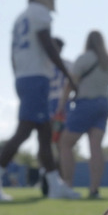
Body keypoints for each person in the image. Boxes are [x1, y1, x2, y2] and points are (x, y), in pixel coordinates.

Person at [0, 0, 81, 201]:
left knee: (44, 134)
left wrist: (19, 76)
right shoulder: (39, 13)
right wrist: (67, 74)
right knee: (24, 131)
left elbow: (12, 54)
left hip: (25, 77)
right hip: (36, 78)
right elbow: (47, 44)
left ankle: (55, 185)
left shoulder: (20, 18)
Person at [58, 30, 108, 199]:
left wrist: (62, 105)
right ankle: (94, 189)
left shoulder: (83, 59)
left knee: (66, 144)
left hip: (85, 104)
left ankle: (68, 184)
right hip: (103, 104)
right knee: (96, 147)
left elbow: (71, 83)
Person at [43, 37, 72, 195]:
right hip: (63, 105)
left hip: (51, 104)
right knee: (61, 145)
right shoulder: (68, 64)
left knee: (54, 144)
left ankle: (53, 179)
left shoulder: (44, 64)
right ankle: (57, 180)